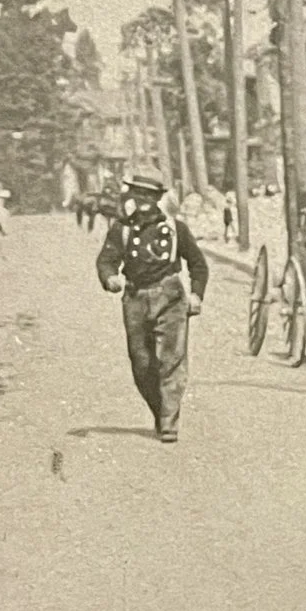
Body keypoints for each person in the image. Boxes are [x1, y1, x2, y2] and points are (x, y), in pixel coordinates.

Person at [94, 169, 208, 443]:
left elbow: (198, 265)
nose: (143, 199)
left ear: (158, 197)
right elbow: (106, 260)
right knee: (142, 363)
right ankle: (160, 411)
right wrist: (109, 277)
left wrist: (196, 295)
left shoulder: (175, 228)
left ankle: (169, 422)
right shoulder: (121, 228)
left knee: (170, 360)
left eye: (150, 194)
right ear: (131, 195)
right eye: (139, 193)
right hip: (134, 299)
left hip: (169, 297)